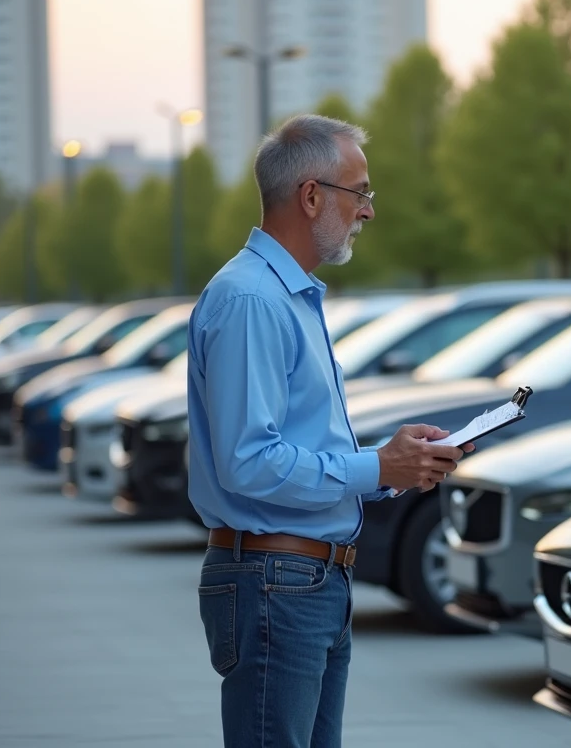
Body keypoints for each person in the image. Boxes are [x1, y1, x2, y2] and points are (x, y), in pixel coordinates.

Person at [186, 113, 471, 747]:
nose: (369, 211)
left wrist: (394, 466)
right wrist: (374, 468)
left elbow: (296, 448)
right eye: (360, 192)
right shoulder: (253, 300)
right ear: (311, 196)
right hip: (275, 582)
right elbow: (248, 461)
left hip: (305, 583)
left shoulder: (288, 295)